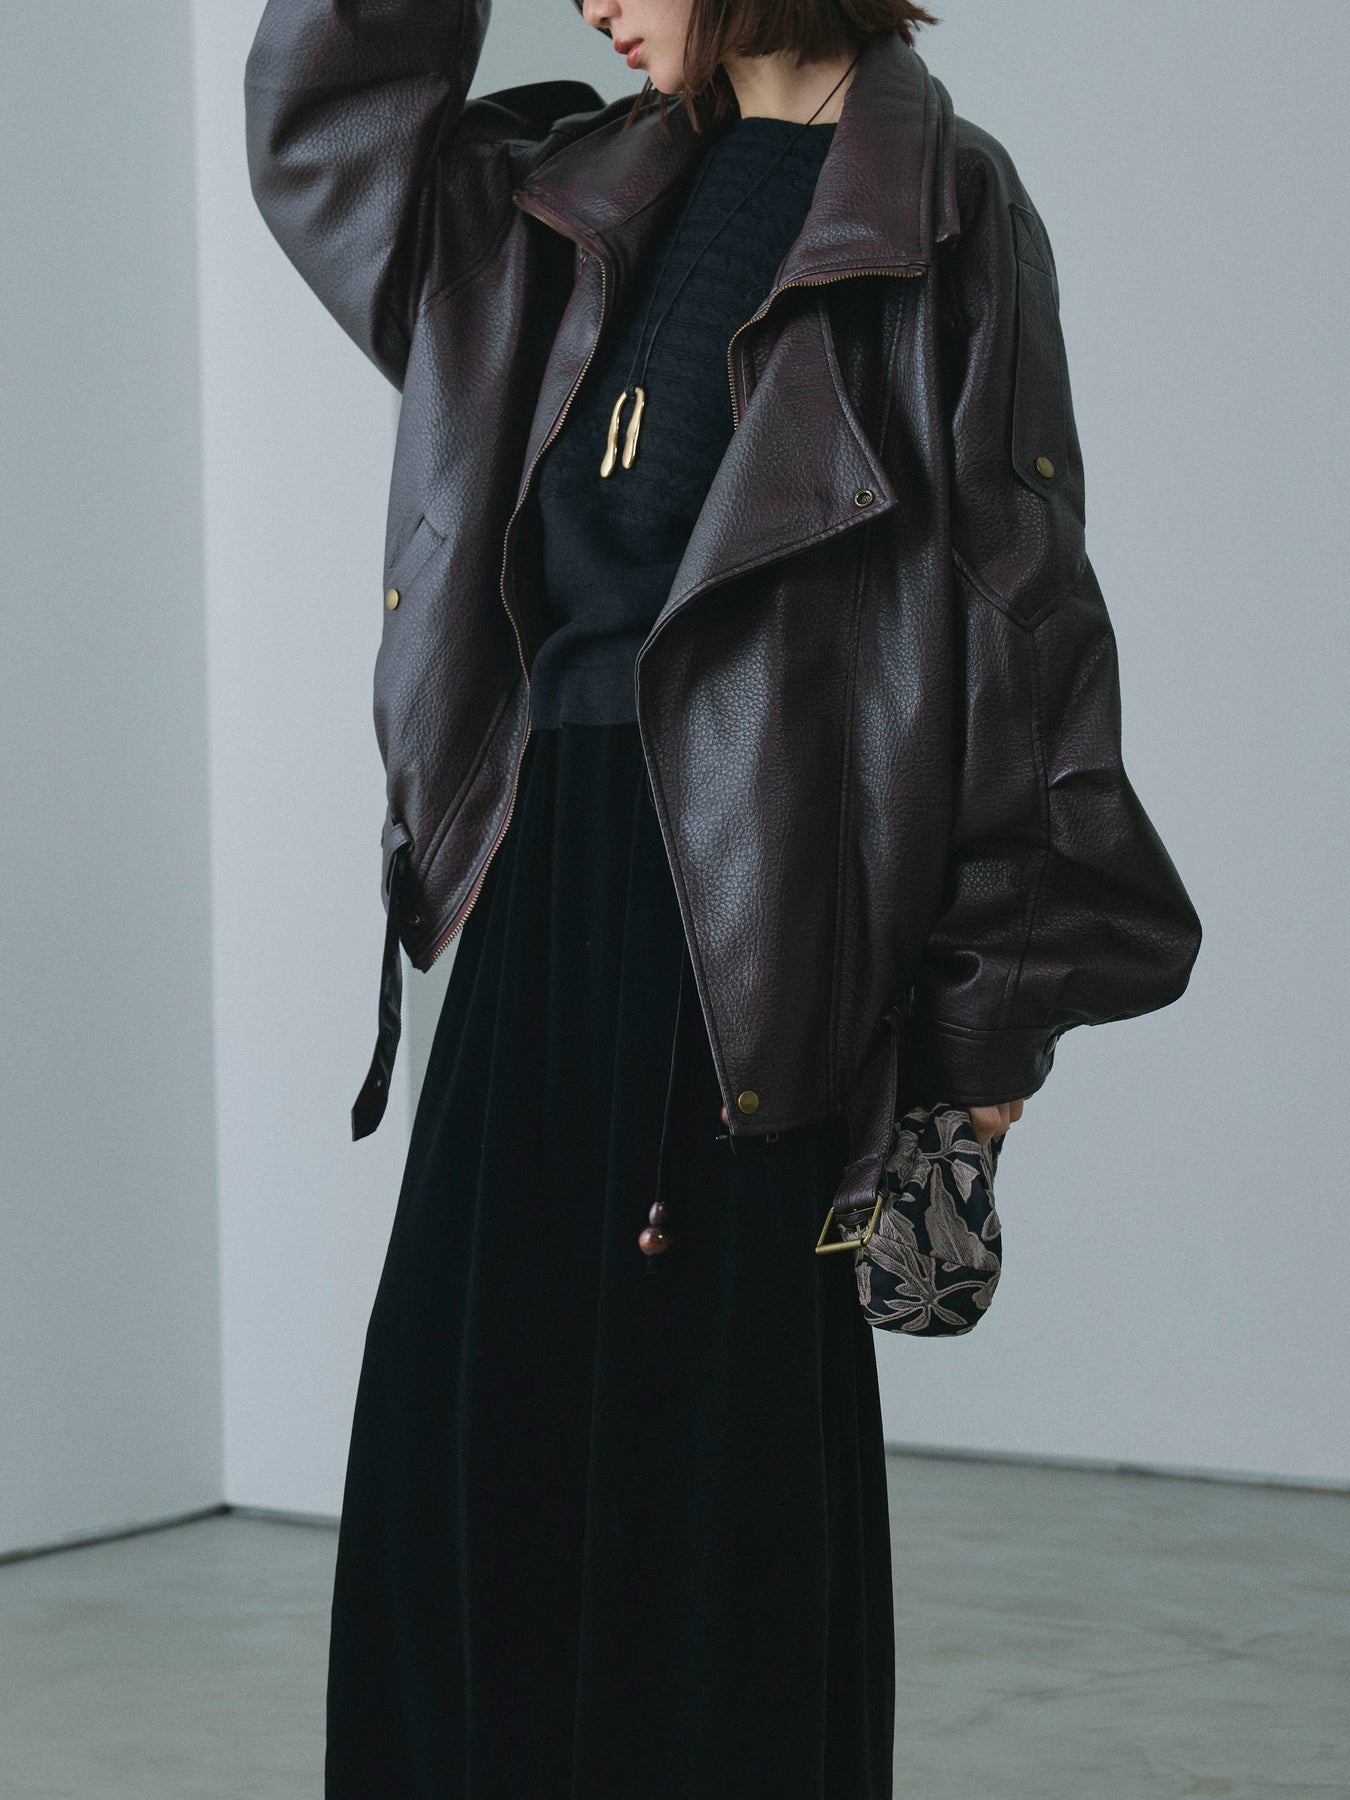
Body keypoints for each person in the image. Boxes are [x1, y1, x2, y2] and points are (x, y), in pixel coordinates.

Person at [243, 1, 1202, 1793]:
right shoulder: (554, 194)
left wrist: (987, 1033)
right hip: (535, 891)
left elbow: (1024, 629)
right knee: (466, 1453)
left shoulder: (938, 208)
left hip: (755, 925)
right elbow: (328, 121)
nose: (591, 1)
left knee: (696, 1509)